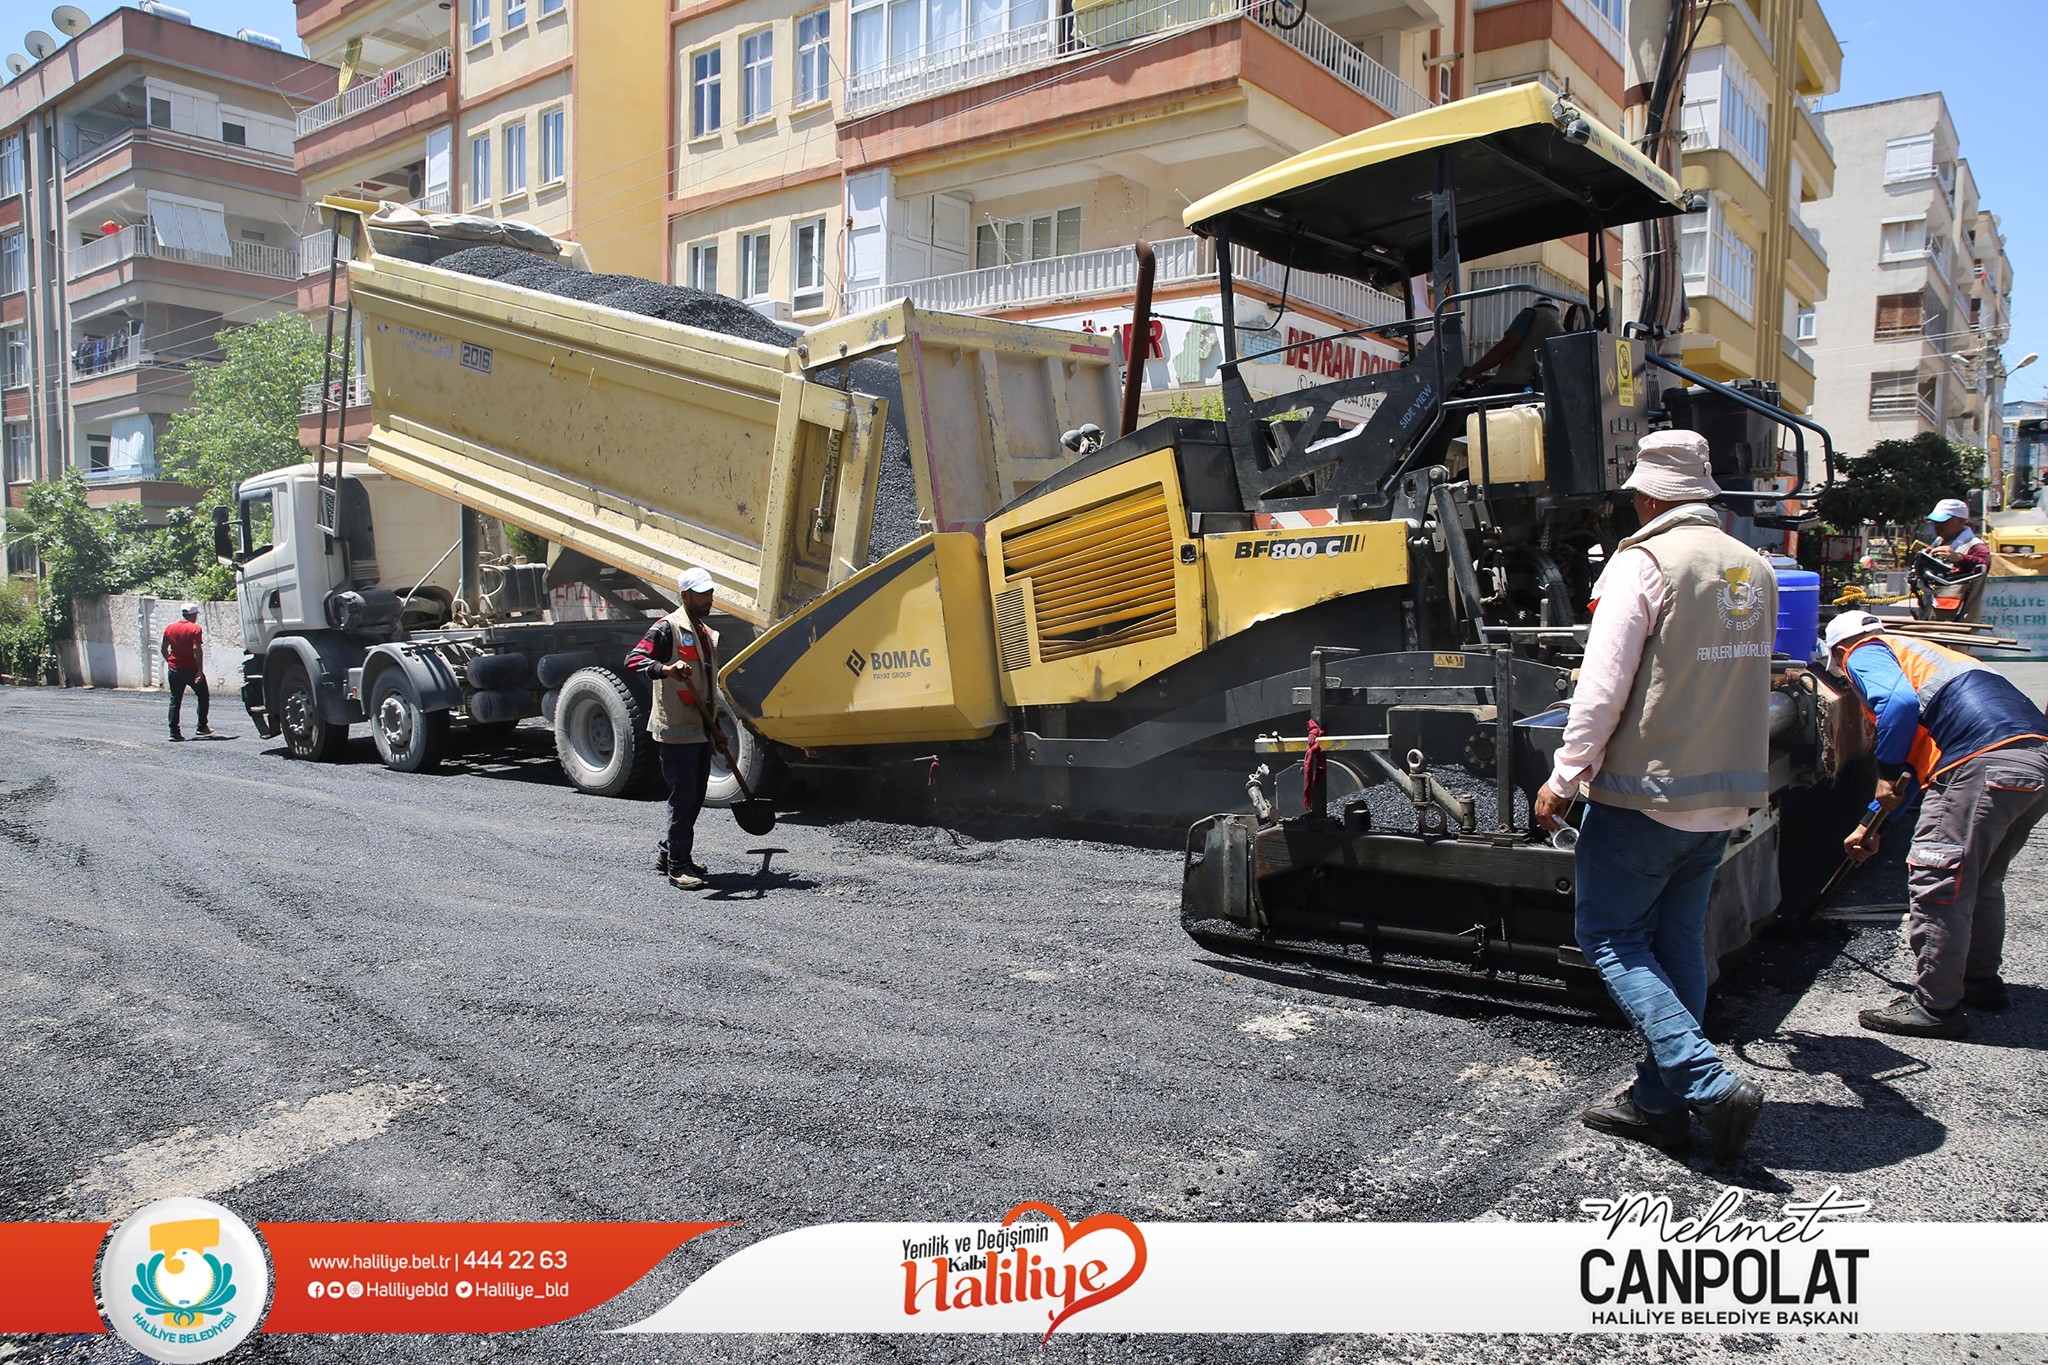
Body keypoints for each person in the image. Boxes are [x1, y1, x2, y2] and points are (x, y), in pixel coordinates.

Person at [1532, 429, 1772, 1161]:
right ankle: (1658, 1103)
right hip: (1725, 797)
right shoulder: (1755, 566)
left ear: (1645, 496)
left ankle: (1704, 1081)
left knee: (1611, 937)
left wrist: (1563, 778)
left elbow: (1601, 691)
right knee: (1679, 945)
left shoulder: (1644, 562)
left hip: (1647, 797)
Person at [1826, 611, 2048, 1038]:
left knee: (1939, 884)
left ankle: (1935, 1005)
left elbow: (1898, 706)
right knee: (1980, 880)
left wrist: (1885, 772)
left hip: (1981, 763)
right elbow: (1913, 770)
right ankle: (1977, 982)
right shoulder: (1926, 655)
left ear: (1839, 651)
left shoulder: (1864, 650)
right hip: (2033, 762)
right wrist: (1874, 824)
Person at [625, 567, 732, 890]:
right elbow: (633, 660)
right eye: (702, 593)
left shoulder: (703, 633)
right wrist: (666, 669)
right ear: (685, 595)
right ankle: (678, 866)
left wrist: (716, 728)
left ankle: (668, 850)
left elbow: (705, 687)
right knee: (684, 797)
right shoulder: (666, 628)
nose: (708, 599)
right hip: (675, 730)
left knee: (695, 796)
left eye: (710, 593)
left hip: (699, 729)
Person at [1458, 297, 1563, 391]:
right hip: (1540, 387)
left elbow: (1506, 347)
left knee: (1467, 408)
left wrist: (1471, 372)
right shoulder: (1559, 326)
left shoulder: (1531, 313)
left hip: (1516, 383)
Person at [162, 603, 212, 742]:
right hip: (191, 669)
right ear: (194, 614)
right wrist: (200, 670)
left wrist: (171, 663)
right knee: (203, 696)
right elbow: (196, 649)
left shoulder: (170, 628)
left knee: (175, 700)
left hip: (174, 669)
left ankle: (174, 732)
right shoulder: (195, 628)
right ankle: (202, 726)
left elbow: (164, 649)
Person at [1923, 497, 1990, 573]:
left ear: (1961, 521)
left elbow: (1984, 565)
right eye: (1935, 521)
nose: (1937, 525)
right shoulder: (1938, 542)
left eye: (1943, 521)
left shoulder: (1974, 545)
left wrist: (1960, 558)